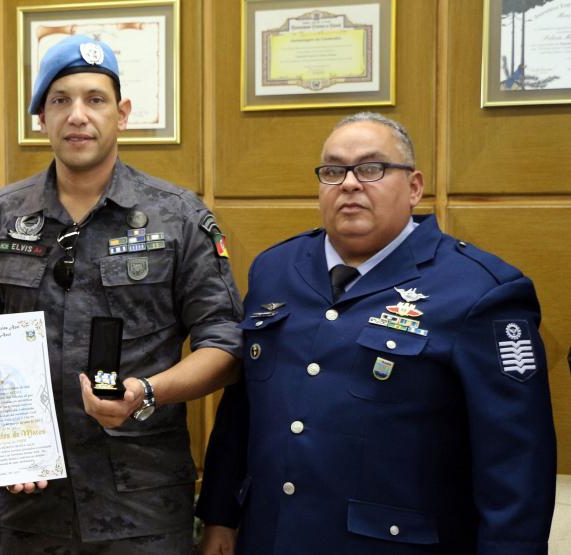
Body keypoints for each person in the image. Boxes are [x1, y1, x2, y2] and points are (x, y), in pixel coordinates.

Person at [195, 112, 557, 554]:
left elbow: (516, 460)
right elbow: (243, 409)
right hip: (271, 536)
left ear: (414, 187)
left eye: (371, 169)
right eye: (333, 171)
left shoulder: (480, 290)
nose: (349, 184)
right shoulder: (276, 270)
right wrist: (220, 515)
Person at [0, 34, 243, 553]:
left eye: (95, 99)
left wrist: (148, 392)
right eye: (60, 101)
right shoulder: (4, 215)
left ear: (122, 113)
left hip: (143, 504)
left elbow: (224, 347)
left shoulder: (177, 217)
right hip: (28, 499)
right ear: (41, 118)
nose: (77, 115)